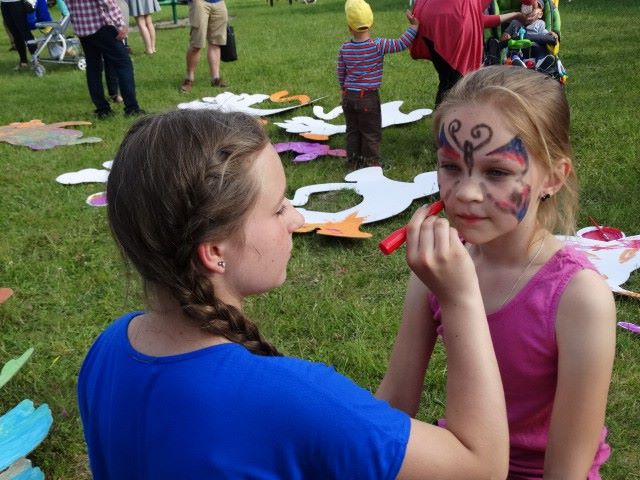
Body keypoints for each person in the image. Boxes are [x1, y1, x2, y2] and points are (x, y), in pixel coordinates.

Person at [78, 108, 510, 479]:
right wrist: (459, 300)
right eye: (279, 206)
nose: (296, 218)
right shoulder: (288, 397)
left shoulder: (109, 349)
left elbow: (362, 436)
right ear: (214, 252)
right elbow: (481, 466)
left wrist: (421, 297)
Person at [377, 66, 616, 479]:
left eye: (497, 172)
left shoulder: (579, 298)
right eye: (451, 166)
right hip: (461, 464)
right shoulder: (439, 270)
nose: (466, 192)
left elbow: (567, 471)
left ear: (553, 178)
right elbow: (395, 400)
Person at [337, 0, 418, 170]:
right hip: (368, 97)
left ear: (349, 27)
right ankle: (370, 166)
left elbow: (341, 72)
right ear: (371, 23)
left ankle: (352, 162)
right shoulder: (378, 45)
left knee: (352, 131)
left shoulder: (345, 48)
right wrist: (413, 28)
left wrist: (342, 90)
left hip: (349, 96)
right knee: (370, 133)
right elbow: (401, 44)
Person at [409, 0, 529, 106]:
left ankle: (443, 121)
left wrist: (515, 15)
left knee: (448, 79)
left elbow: (478, 19)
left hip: (426, 17)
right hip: (449, 21)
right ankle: (448, 122)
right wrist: (529, 4)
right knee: (457, 81)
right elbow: (472, 18)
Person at [65, 0, 145, 118]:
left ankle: (102, 109)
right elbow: (108, 3)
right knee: (124, 64)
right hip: (100, 26)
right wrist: (121, 25)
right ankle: (132, 108)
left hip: (82, 28)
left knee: (93, 69)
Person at [180, 0, 228, 93]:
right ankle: (189, 79)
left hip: (219, 3)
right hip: (200, 2)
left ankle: (215, 79)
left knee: (216, 42)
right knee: (196, 45)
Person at [1, 0, 36, 70]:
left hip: (18, 3)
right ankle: (23, 61)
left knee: (25, 32)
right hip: (4, 4)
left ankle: (36, 60)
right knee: (15, 34)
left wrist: (31, 2)